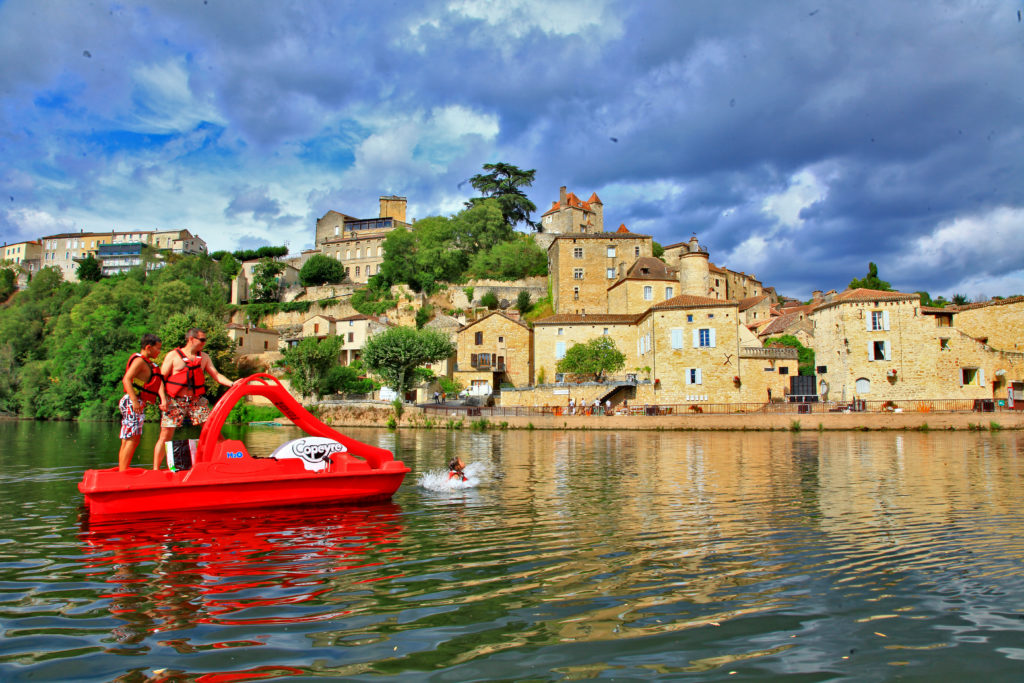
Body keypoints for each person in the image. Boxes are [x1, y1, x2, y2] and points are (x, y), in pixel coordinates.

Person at [155, 328, 238, 470]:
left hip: (196, 400)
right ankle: (155, 470)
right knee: (165, 435)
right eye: (202, 340)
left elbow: (216, 375)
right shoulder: (173, 356)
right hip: (175, 401)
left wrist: (232, 383)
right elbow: (159, 380)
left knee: (214, 431)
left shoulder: (204, 357)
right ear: (191, 339)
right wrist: (163, 399)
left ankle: (226, 463)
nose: (204, 343)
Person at [117, 333, 169, 471]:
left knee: (131, 438)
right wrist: (135, 402)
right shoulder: (139, 361)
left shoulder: (150, 364)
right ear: (148, 347)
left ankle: (122, 470)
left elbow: (157, 382)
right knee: (132, 438)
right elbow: (126, 379)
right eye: (158, 348)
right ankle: (122, 473)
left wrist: (162, 399)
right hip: (132, 402)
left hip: (136, 402)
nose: (159, 351)